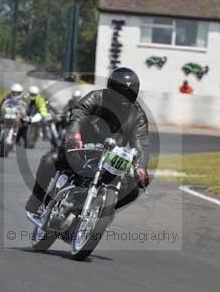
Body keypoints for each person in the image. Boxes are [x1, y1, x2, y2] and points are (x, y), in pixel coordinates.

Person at [25, 67, 150, 217]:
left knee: (135, 187)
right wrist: (75, 134)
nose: (122, 97)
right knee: (49, 160)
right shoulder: (97, 97)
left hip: (110, 158)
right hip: (81, 148)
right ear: (111, 88)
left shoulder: (137, 115)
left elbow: (141, 142)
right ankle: (37, 199)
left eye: (127, 93)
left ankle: (99, 213)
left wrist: (141, 167)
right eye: (119, 91)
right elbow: (79, 113)